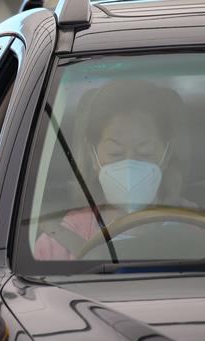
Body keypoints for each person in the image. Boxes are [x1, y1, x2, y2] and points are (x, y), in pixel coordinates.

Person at [35, 80, 190, 260]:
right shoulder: (57, 245)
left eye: (144, 152)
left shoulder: (195, 225)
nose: (130, 166)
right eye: (115, 153)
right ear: (93, 156)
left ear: (167, 154)